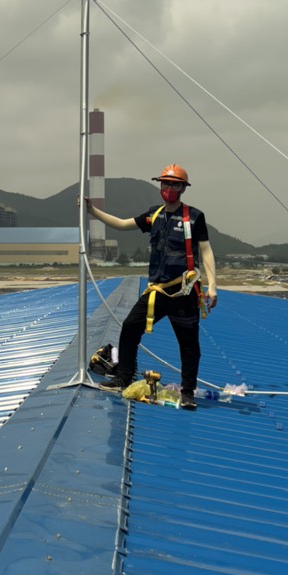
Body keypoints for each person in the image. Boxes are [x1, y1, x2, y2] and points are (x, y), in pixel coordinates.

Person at [86, 163, 217, 408]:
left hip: (185, 292)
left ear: (182, 189)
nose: (168, 188)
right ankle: (124, 378)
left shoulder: (194, 217)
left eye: (174, 184)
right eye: (165, 183)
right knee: (130, 328)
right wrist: (93, 211)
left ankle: (187, 392)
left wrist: (212, 286)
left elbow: (206, 250)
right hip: (157, 292)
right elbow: (122, 224)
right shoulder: (154, 215)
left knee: (189, 345)